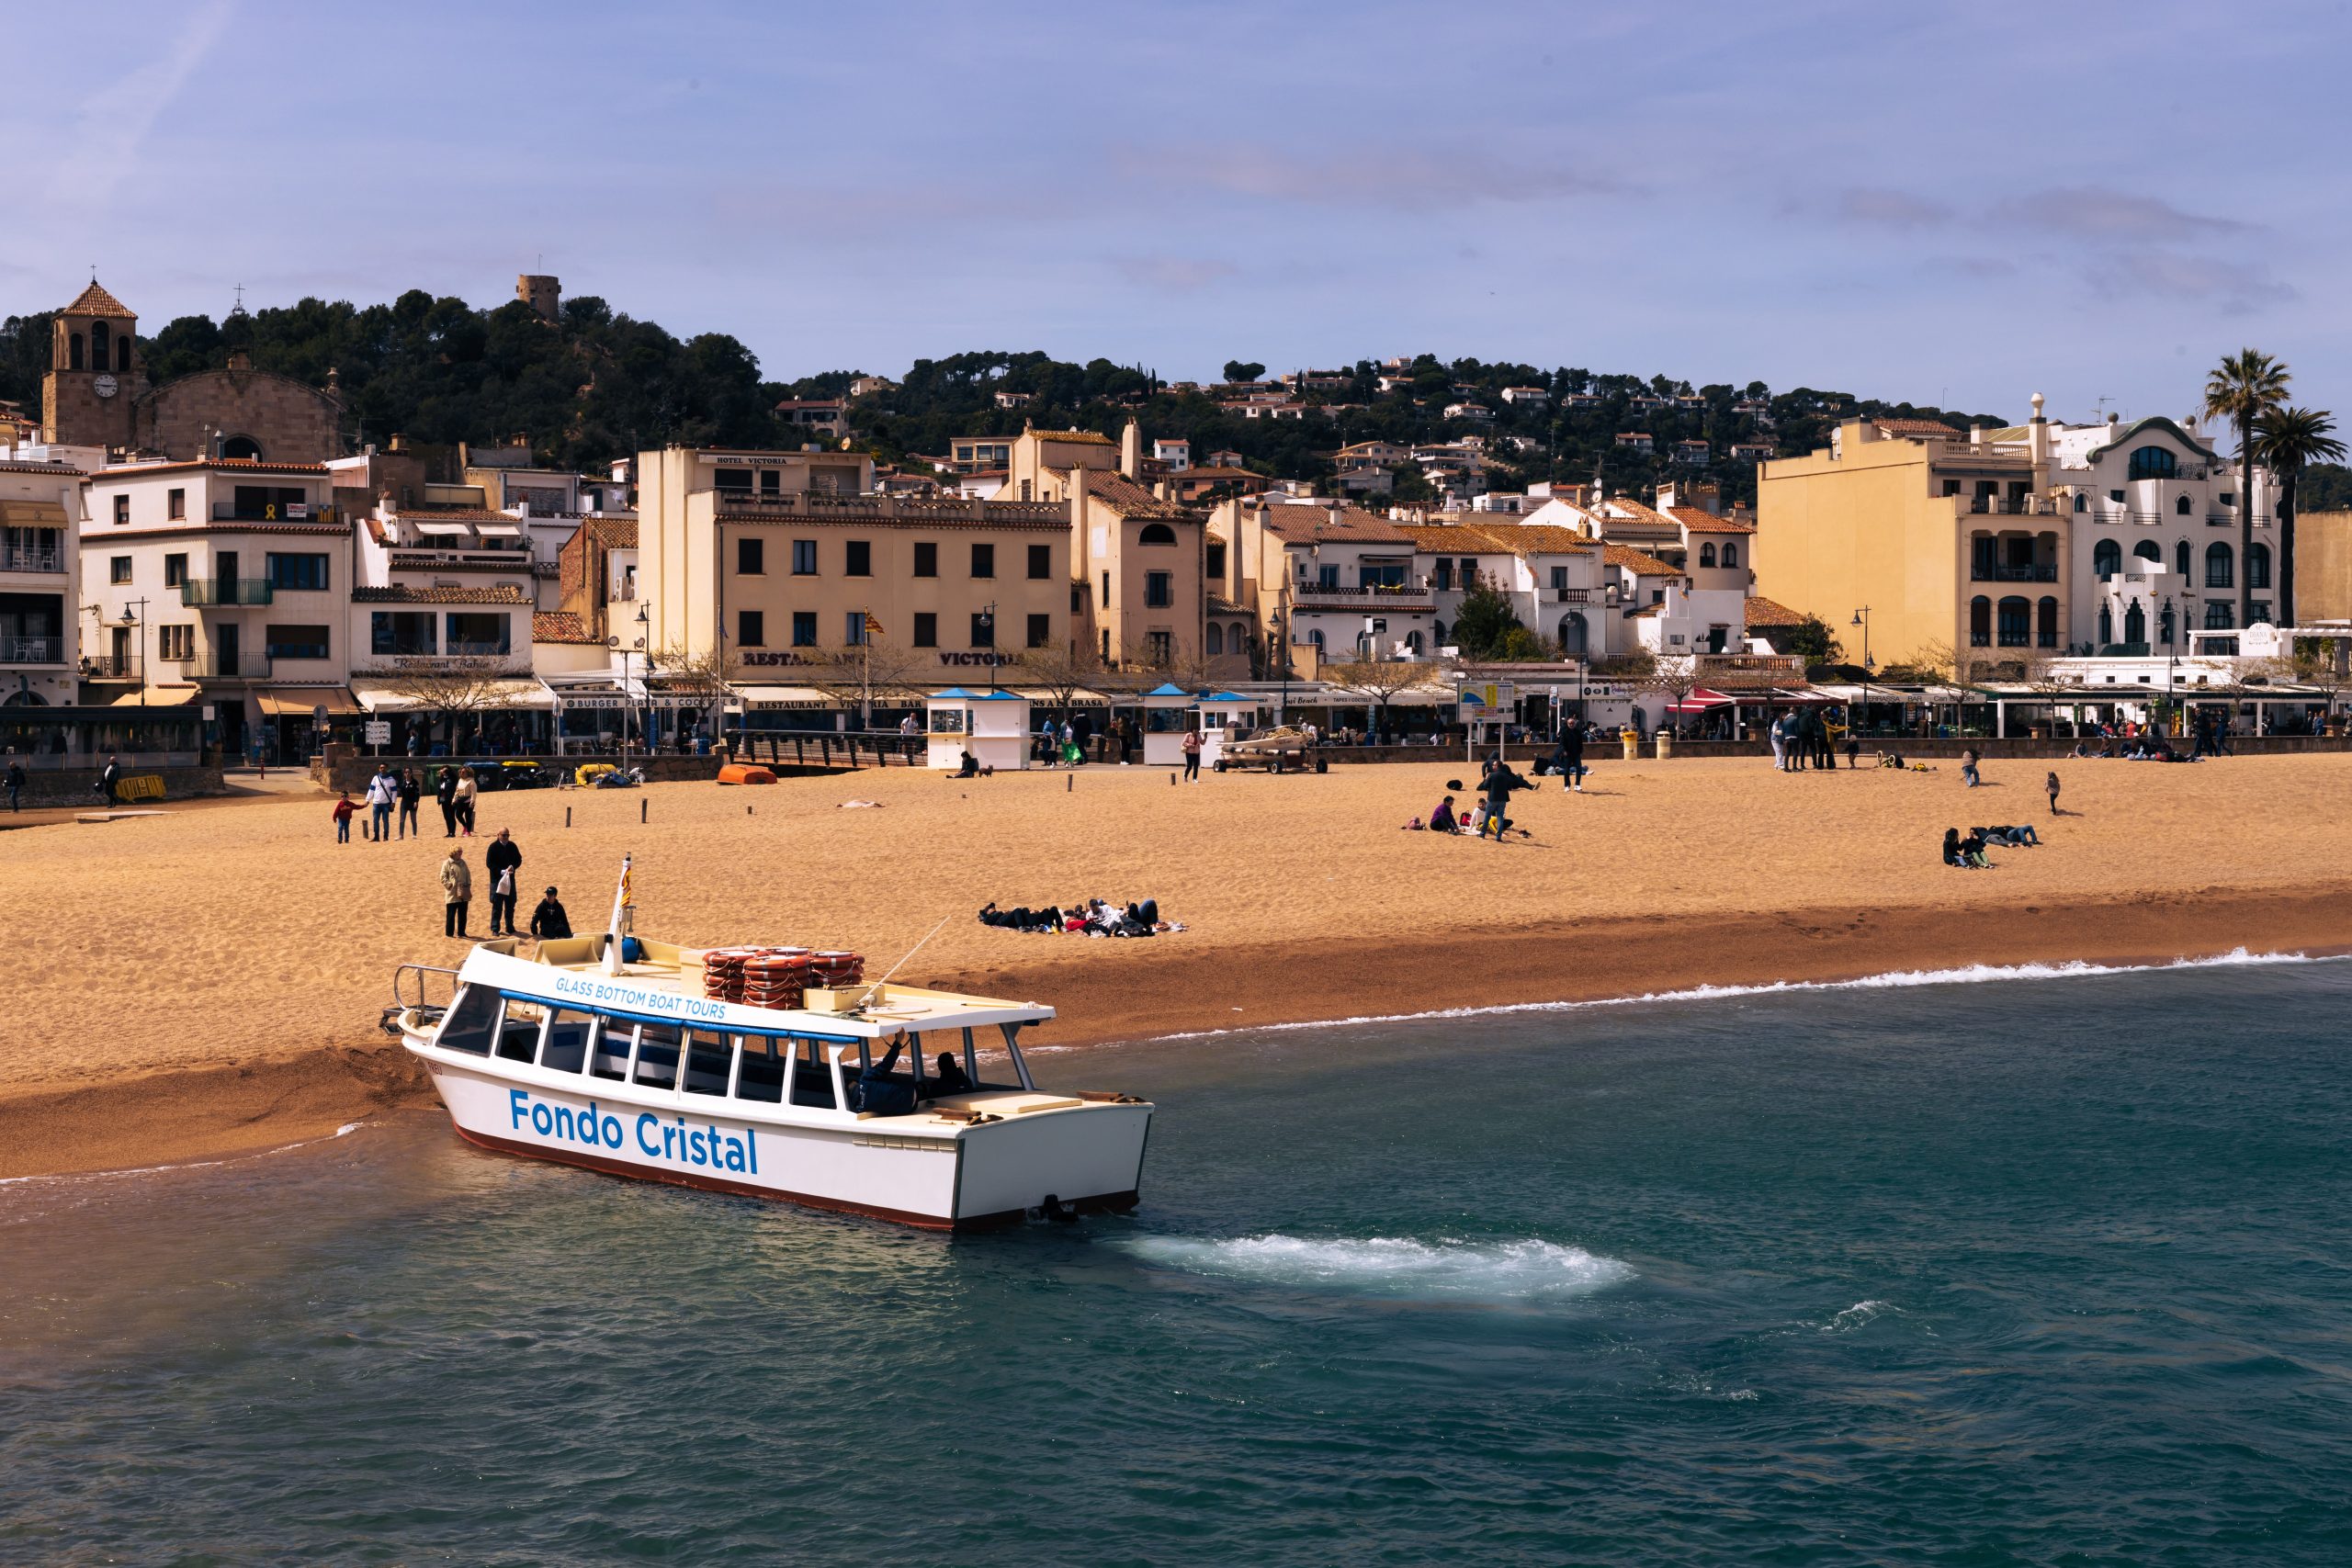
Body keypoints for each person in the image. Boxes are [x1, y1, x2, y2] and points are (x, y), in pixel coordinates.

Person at [852, 1040, 916, 1116]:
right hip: (910, 1091)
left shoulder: (859, 1109)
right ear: (852, 1085)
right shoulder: (865, 1080)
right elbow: (886, 1065)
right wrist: (897, 1042)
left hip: (907, 1109)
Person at [1480, 757, 1534, 841]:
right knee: (1500, 818)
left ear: (1497, 766)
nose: (1492, 766)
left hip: (1492, 799)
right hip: (1502, 800)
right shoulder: (1506, 776)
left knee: (1487, 817)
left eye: (1494, 765)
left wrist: (1486, 778)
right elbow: (1510, 788)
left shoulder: (1491, 775)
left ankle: (1482, 834)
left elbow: (1485, 786)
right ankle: (1498, 837)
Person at [485, 829, 523, 935]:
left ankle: (509, 927)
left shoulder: (512, 846)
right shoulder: (493, 847)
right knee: (497, 905)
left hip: (510, 880)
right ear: (498, 835)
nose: (506, 837)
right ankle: (495, 928)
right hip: (497, 881)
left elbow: (519, 859)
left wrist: (513, 867)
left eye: (507, 835)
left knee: (510, 904)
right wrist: (501, 871)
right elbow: (489, 863)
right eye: (503, 835)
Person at [441, 848, 472, 938]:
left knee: (463, 914)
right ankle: (449, 933)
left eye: (461, 851)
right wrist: (450, 885)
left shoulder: (463, 862)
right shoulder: (447, 863)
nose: (461, 853)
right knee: (451, 914)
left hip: (463, 891)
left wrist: (468, 884)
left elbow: (468, 874)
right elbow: (443, 877)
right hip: (452, 893)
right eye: (459, 852)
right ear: (453, 853)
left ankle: (461, 932)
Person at [365, 763, 398, 842]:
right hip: (376, 804)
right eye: (381, 767)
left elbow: (394, 792)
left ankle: (385, 837)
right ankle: (376, 837)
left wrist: (393, 802)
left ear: (387, 769)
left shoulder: (391, 779)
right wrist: (367, 800)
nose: (382, 769)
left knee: (385, 820)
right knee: (375, 820)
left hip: (386, 804)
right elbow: (371, 790)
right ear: (379, 769)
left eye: (384, 767)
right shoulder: (375, 778)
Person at [452, 767, 478, 836]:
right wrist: (454, 800)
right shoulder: (460, 780)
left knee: (468, 817)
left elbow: (473, 793)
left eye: (463, 772)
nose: (461, 773)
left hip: (468, 801)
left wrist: (472, 802)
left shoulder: (471, 781)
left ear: (468, 773)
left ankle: (468, 831)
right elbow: (457, 791)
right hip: (460, 800)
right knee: (458, 815)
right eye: (460, 772)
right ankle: (465, 826)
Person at [397, 769, 422, 839]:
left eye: (408, 772)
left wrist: (416, 801)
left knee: (413, 819)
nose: (407, 773)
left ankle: (414, 834)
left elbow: (417, 793)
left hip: (413, 803)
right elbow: (399, 791)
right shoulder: (402, 782)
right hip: (404, 803)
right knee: (402, 820)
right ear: (404, 774)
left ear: (411, 773)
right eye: (406, 772)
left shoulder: (415, 782)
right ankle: (401, 835)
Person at [435, 766, 460, 837]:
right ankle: (449, 832)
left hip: (451, 800)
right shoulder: (442, 779)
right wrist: (439, 799)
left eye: (444, 770)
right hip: (443, 800)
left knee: (451, 816)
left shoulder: (452, 779)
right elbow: (440, 789)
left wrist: (445, 770)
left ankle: (453, 833)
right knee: (446, 817)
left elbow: (452, 775)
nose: (443, 772)